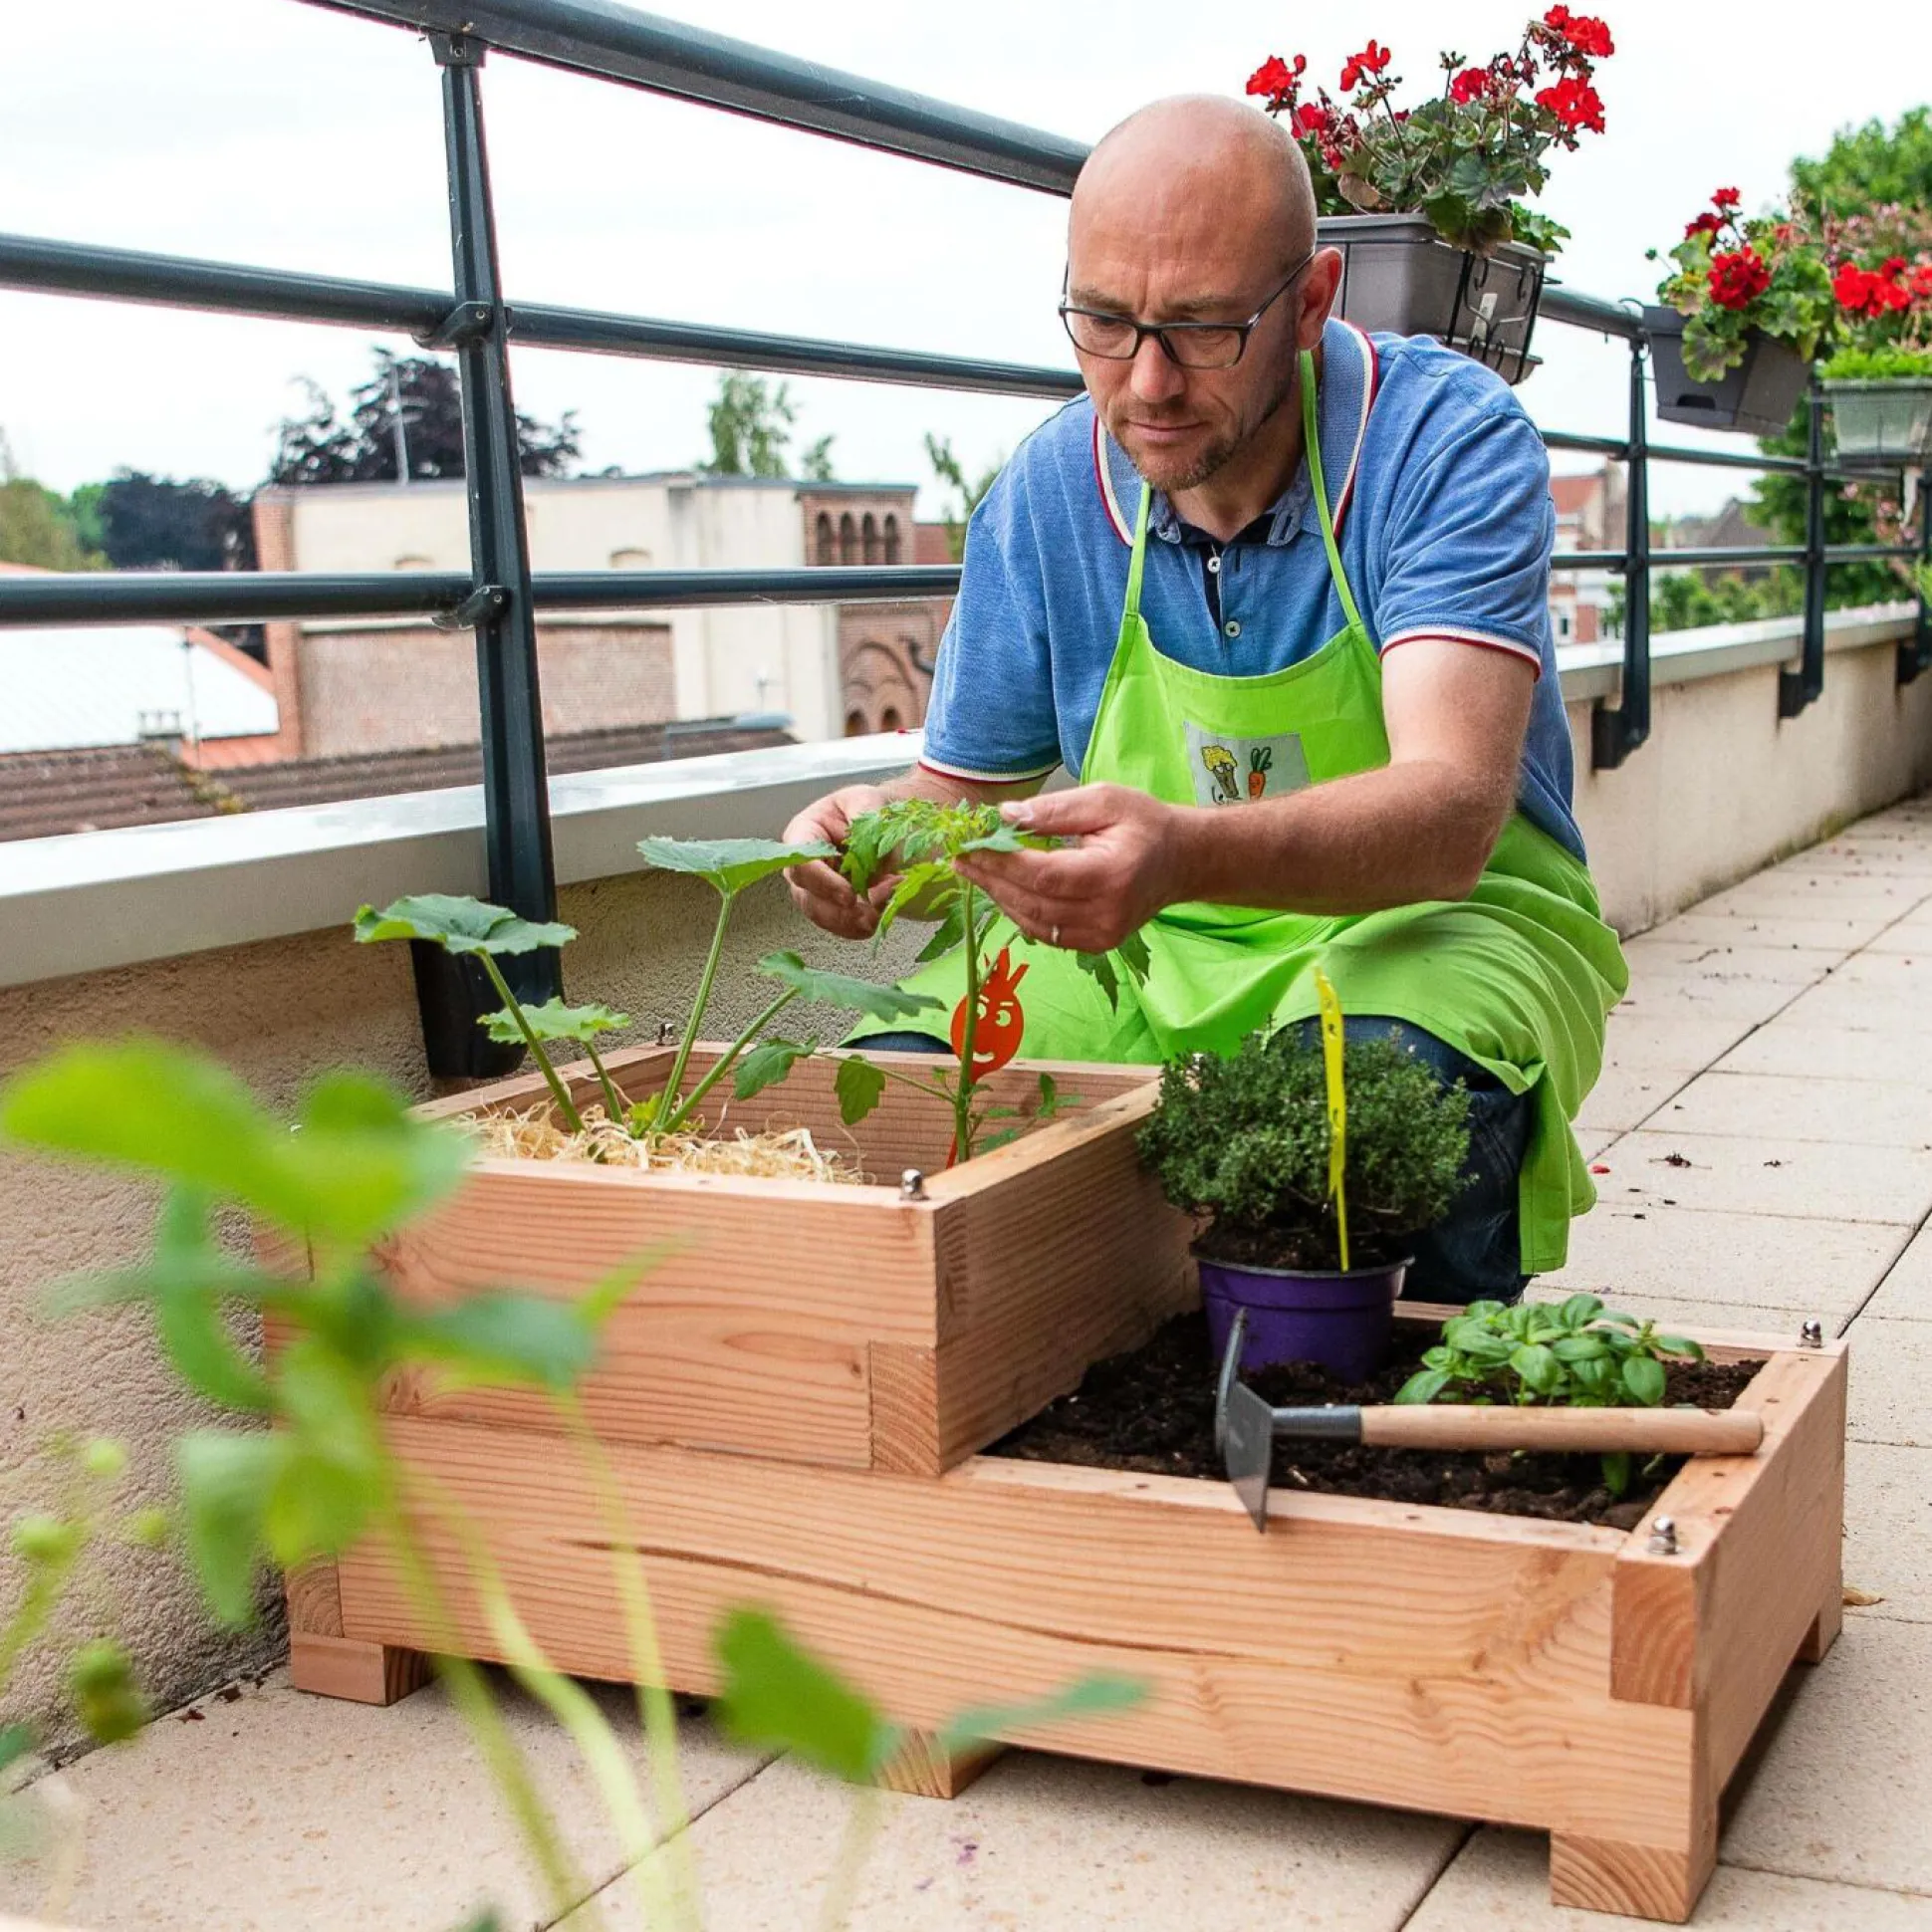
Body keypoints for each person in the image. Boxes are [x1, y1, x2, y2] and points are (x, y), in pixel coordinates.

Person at [783, 95, 1626, 1302]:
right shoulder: (1044, 497)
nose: (1146, 382)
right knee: (905, 1094)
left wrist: (1176, 852)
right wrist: (866, 843)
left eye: (1201, 328)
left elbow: (1448, 816)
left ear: (1312, 299)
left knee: (1375, 1098)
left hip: (1430, 923)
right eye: (1104, 322)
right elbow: (953, 801)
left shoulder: (1439, 442)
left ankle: (1396, 1438)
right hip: (1145, 938)